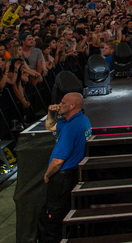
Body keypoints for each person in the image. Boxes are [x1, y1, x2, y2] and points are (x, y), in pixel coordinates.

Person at [38, 92, 92, 243]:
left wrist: (47, 175)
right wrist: (50, 113)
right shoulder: (81, 120)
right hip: (73, 176)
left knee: (52, 219)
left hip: (62, 179)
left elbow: (58, 161)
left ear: (71, 106)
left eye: (62, 103)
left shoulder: (70, 129)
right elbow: (50, 126)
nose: (59, 105)